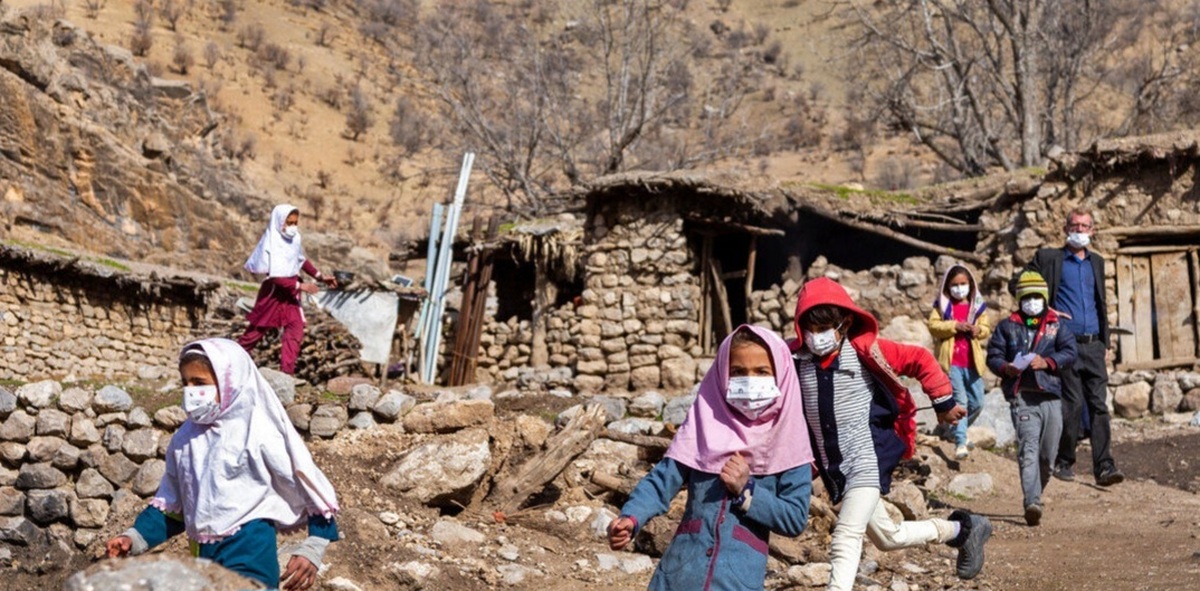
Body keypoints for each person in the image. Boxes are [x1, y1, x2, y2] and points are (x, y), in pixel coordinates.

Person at [790, 277, 990, 590]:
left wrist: (944, 402)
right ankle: (961, 530)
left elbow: (920, 359)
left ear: (845, 323)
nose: (817, 337)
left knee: (845, 536)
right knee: (888, 537)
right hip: (835, 471)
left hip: (866, 461)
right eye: (811, 329)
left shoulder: (865, 351)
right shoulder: (795, 361)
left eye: (825, 327)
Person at [105, 338, 340, 590]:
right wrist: (135, 537)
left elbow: (303, 480)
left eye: (200, 383)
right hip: (203, 555)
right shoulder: (184, 440)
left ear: (230, 383)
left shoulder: (258, 433)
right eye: (186, 383)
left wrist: (315, 543)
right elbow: (174, 505)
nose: (191, 391)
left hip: (250, 551)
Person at [607, 325, 814, 591]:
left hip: (736, 581)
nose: (749, 381)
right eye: (738, 372)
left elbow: (795, 517)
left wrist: (747, 491)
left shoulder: (790, 441)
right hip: (680, 575)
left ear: (781, 376)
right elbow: (661, 481)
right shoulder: (703, 426)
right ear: (722, 374)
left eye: (762, 372)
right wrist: (631, 517)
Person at [1014, 207, 1124, 486]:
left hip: (1094, 345)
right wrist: (1044, 307)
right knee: (1073, 403)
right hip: (1065, 344)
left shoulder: (1096, 262)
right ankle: (1065, 461)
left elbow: (1101, 303)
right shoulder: (1049, 258)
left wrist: (1106, 342)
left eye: (1085, 226)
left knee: (1100, 405)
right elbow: (1016, 282)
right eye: (1075, 225)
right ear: (1065, 229)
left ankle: (1105, 468)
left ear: (1093, 231)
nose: (1080, 230)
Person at [987, 271, 1077, 527]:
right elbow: (993, 356)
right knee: (1028, 450)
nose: (1032, 301)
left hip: (1051, 396)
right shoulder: (1007, 326)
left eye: (1037, 296)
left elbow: (1070, 352)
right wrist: (1006, 368)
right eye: (1027, 297)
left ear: (1044, 298)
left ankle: (1037, 491)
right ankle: (1032, 501)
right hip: (1023, 396)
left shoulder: (1056, 325)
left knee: (1047, 455)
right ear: (1020, 299)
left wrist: (1048, 362)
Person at [239, 204, 337, 375]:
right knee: (255, 333)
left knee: (295, 329)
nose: (292, 227)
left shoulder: (294, 239)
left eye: (295, 223)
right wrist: (302, 286)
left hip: (291, 294)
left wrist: (320, 277)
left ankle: (286, 373)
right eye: (289, 223)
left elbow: (300, 260)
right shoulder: (272, 243)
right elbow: (276, 277)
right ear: (279, 222)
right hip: (274, 294)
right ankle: (231, 362)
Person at [927, 264, 992, 459]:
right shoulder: (942, 306)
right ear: (947, 287)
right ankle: (960, 442)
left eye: (963, 284)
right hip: (952, 363)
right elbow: (933, 326)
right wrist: (955, 325)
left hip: (972, 363)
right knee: (961, 401)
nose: (959, 288)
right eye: (954, 285)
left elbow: (986, 328)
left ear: (970, 285)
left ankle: (953, 430)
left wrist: (978, 330)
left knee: (978, 402)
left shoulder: (977, 306)